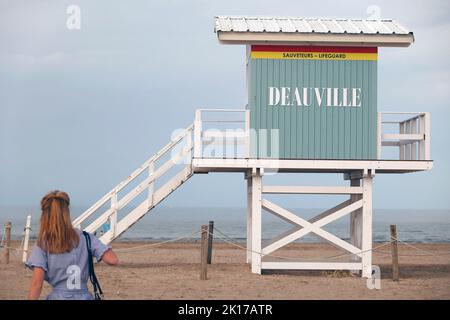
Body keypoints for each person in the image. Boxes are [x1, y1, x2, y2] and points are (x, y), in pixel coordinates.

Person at [26, 190, 119, 300]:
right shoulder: (86, 238)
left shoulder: (43, 243)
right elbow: (113, 260)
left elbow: (37, 284)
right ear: (67, 213)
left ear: (45, 216)